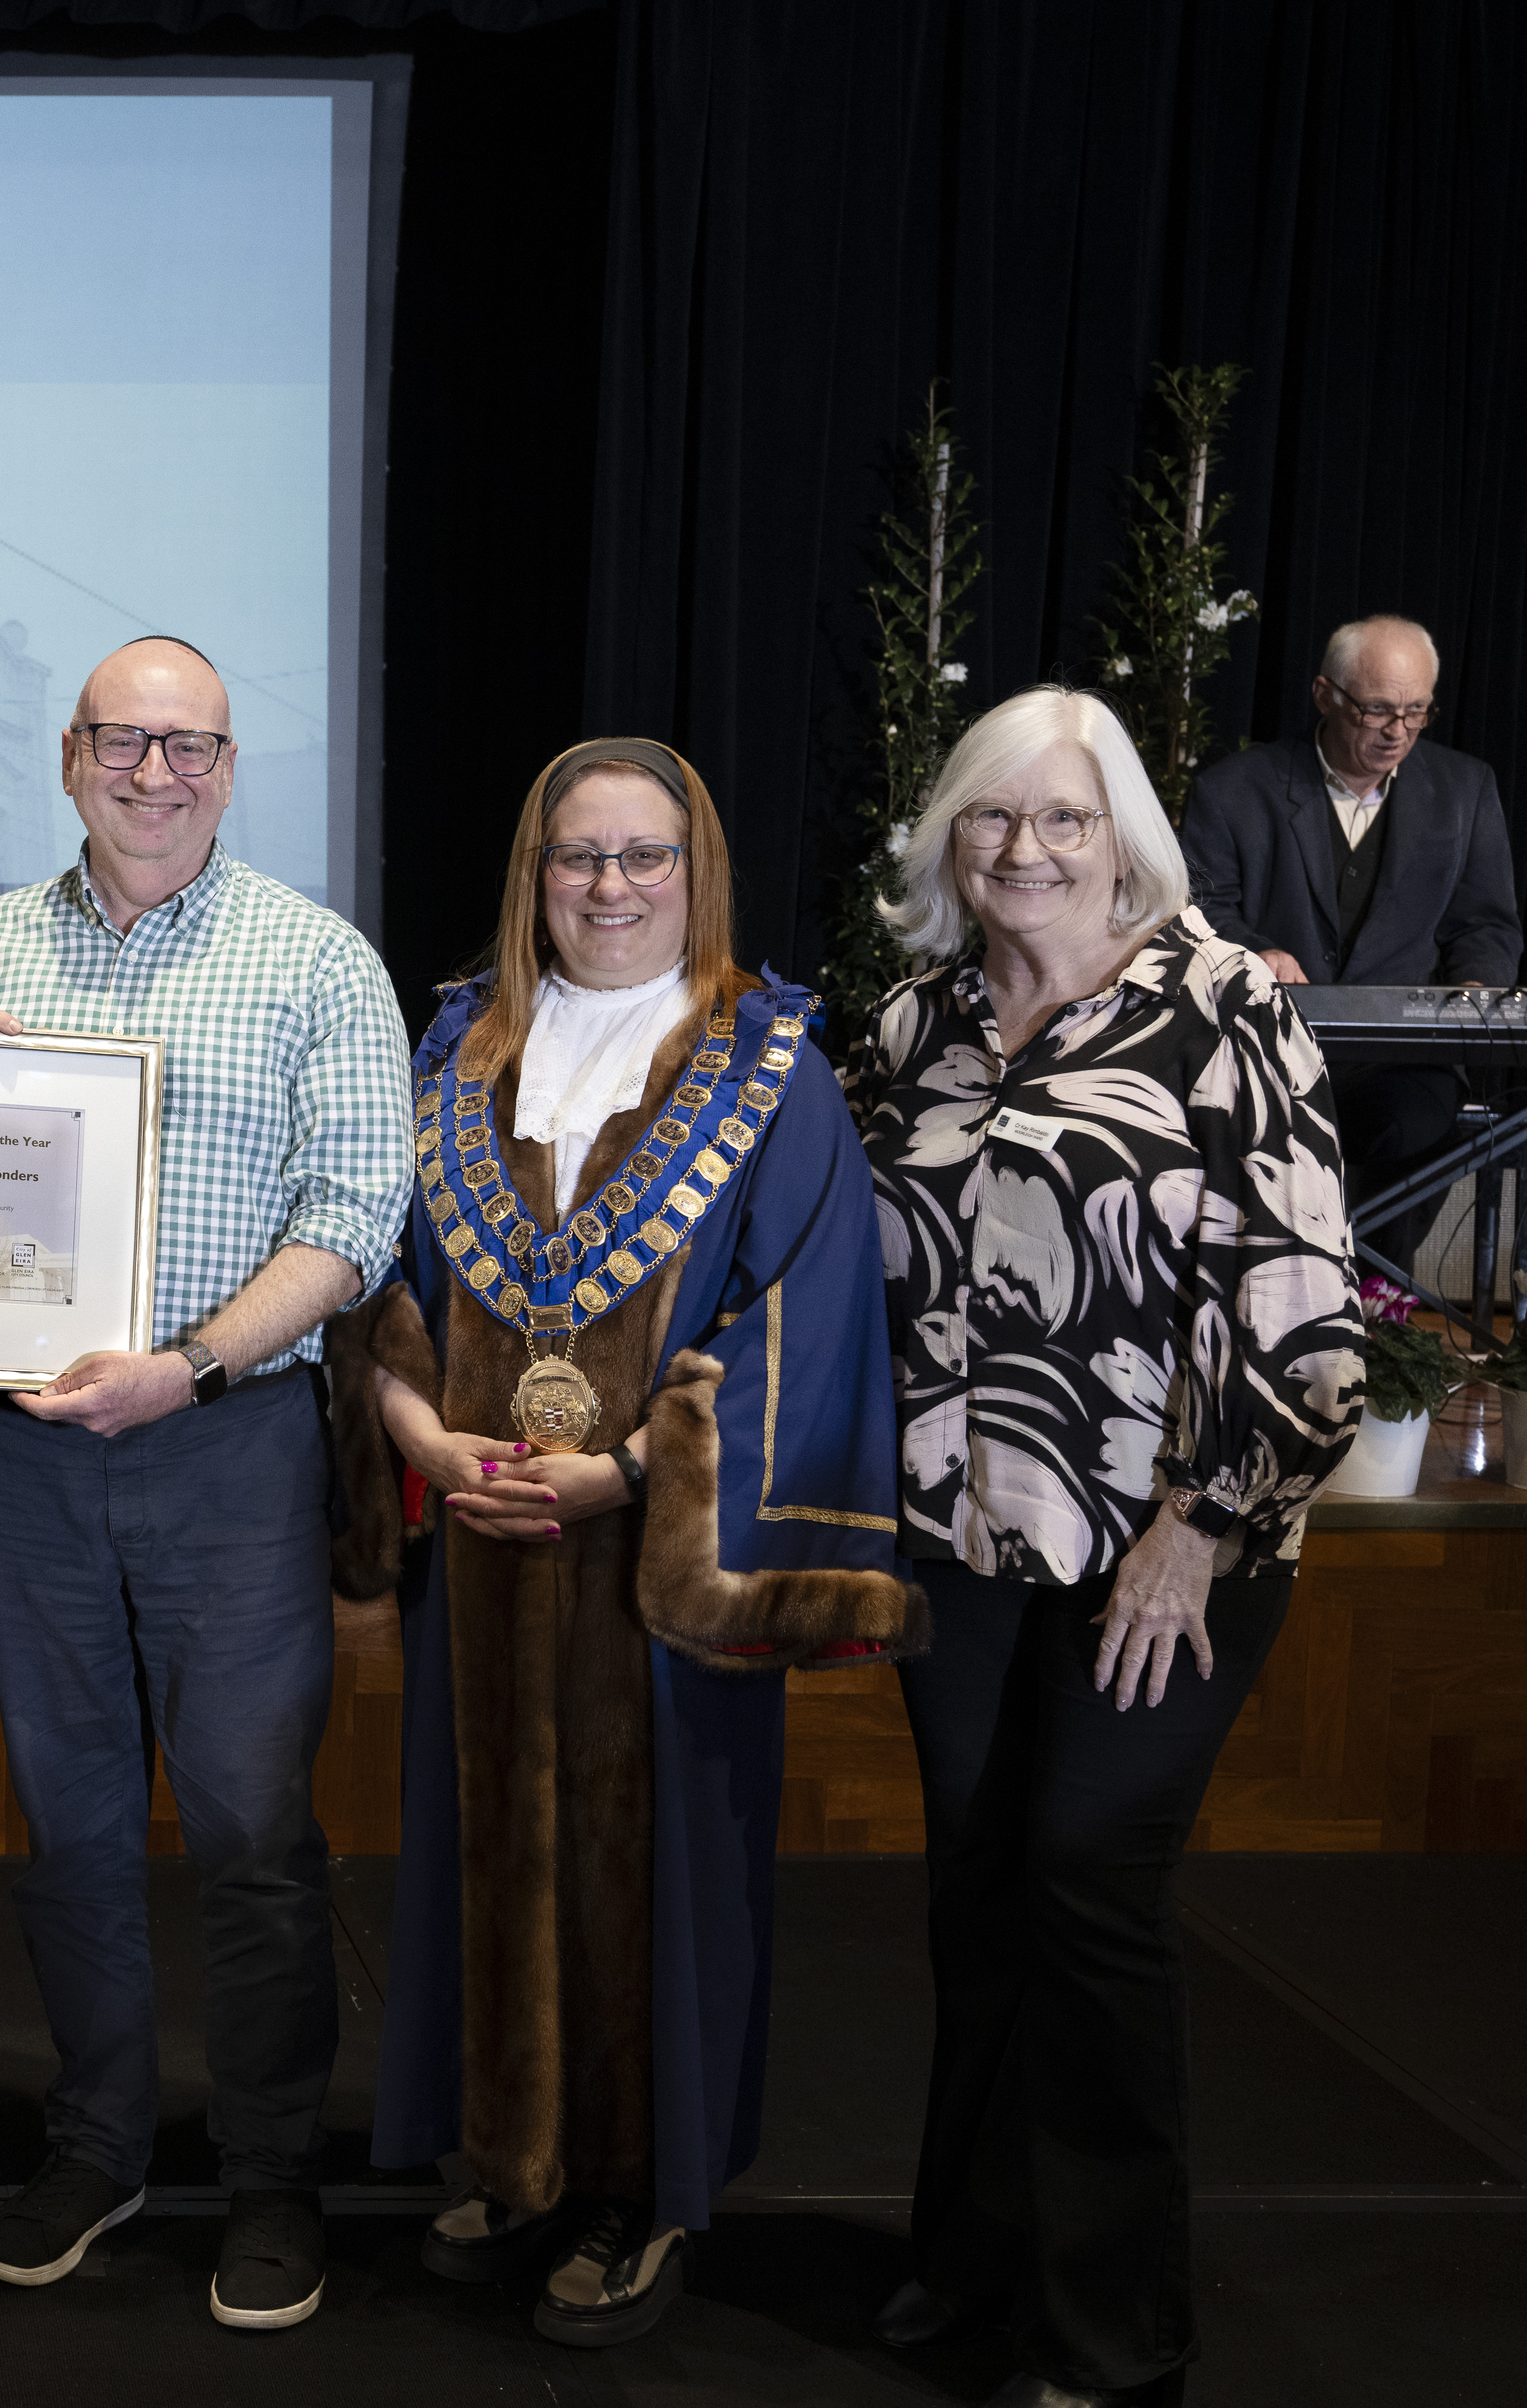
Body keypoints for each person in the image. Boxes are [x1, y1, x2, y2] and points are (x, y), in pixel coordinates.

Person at [361, 739, 915, 2350]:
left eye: (644, 855)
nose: (610, 885)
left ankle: (644, 2184)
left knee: (660, 1867)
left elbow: (801, 1321)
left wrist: (623, 1471)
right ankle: (516, 2151)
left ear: (699, 869)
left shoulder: (770, 1062)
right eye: (578, 855)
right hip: (480, 1526)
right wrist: (413, 1427)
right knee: (488, 1845)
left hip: (653, 1553)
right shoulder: (458, 1042)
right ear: (535, 872)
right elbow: (388, 1272)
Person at [853, 686, 1365, 2408]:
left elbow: (1305, 1316)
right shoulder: (914, 1021)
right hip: (962, 1545)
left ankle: (1118, 2319)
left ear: (1124, 831)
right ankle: (973, 2252)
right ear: (951, 836)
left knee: (1087, 1873)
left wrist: (1196, 1526)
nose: (1027, 849)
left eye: (1066, 818)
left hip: (1174, 1542)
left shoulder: (1225, 1007)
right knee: (981, 1893)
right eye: (995, 817)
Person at [0, 635, 411, 2332]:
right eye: (124, 742)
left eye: (189, 745)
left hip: (229, 1446)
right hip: (31, 1454)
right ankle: (100, 2141)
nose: (156, 772)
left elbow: (357, 1219)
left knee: (255, 1829)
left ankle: (274, 2172)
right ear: (69, 756)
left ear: (227, 765)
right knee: (67, 1829)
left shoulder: (318, 961)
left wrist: (185, 1364)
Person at [1178, 613, 1520, 1271]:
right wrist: (1257, 954)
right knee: (1252, 1135)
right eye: (1378, 710)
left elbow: (1487, 923)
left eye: (1417, 712)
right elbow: (1198, 910)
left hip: (1403, 1064)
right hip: (1267, 1053)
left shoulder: (1465, 791)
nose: (1398, 732)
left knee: (1412, 1128)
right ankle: (1273, 1304)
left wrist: (1477, 987)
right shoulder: (1234, 792)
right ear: (1325, 695)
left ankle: (1375, 1303)